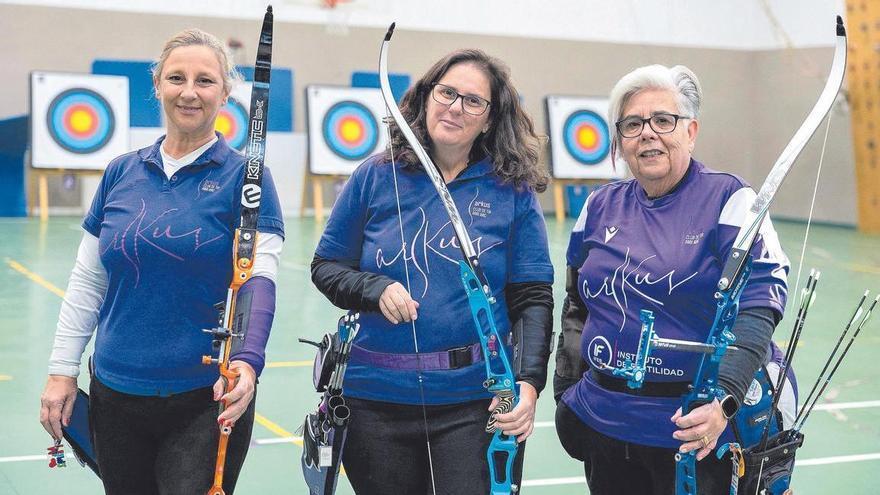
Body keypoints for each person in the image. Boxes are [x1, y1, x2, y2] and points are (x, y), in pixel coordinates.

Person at [38, 28, 284, 495]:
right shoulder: (121, 172)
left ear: (226, 94)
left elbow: (259, 279)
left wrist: (248, 363)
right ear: (157, 85)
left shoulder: (248, 179)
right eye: (176, 77)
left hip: (206, 397)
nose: (189, 92)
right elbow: (88, 280)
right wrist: (60, 371)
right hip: (114, 394)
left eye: (205, 81)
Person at [311, 49, 554, 494]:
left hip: (479, 399)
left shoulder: (511, 190)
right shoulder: (374, 176)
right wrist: (373, 287)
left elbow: (532, 296)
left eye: (473, 101)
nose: (455, 106)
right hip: (376, 398)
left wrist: (528, 383)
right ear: (426, 97)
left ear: (489, 118)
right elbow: (326, 267)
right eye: (447, 92)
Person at [553, 64, 795, 494]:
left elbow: (760, 305)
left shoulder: (731, 200)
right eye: (632, 124)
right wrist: (566, 390)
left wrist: (724, 395)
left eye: (664, 120)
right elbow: (577, 305)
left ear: (691, 131)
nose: (648, 133)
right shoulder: (597, 205)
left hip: (694, 429)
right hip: (605, 424)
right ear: (619, 140)